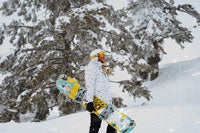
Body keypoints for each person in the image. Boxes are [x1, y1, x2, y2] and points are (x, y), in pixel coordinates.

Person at [85, 49, 117, 133]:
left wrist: (110, 101)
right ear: (95, 57)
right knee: (95, 126)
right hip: (97, 103)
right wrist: (90, 102)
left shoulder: (102, 69)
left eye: (104, 54)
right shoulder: (91, 69)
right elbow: (90, 86)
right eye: (101, 54)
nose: (104, 56)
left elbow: (105, 88)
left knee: (113, 124)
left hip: (107, 103)